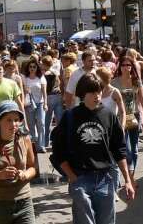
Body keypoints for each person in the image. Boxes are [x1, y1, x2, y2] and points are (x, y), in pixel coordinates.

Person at [51, 74, 135, 224]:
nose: (97, 96)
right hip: (80, 179)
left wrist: (127, 180)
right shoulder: (70, 117)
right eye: (92, 92)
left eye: (99, 91)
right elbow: (58, 151)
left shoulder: (109, 115)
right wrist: (72, 177)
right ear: (83, 94)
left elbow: (119, 149)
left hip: (105, 179)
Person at [112, 56, 143, 184]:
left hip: (135, 116)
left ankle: (131, 176)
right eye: (124, 65)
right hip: (121, 117)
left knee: (134, 150)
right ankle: (128, 177)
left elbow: (142, 100)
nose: (126, 67)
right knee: (127, 150)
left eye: (129, 65)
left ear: (132, 67)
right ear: (120, 67)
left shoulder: (137, 81)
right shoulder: (115, 82)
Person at [22, 59, 47, 153]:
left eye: (34, 67)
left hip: (40, 103)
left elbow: (44, 92)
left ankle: (41, 145)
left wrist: (45, 103)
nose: (32, 69)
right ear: (28, 68)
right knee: (31, 124)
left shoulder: (41, 78)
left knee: (41, 123)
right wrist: (25, 91)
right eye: (30, 67)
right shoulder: (25, 78)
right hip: (29, 104)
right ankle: (34, 145)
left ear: (37, 68)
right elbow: (23, 92)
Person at [43, 56, 63, 146]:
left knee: (47, 121)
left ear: (44, 64)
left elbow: (47, 88)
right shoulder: (56, 72)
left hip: (49, 97)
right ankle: (60, 142)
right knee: (59, 121)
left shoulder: (46, 73)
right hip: (58, 96)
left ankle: (45, 142)